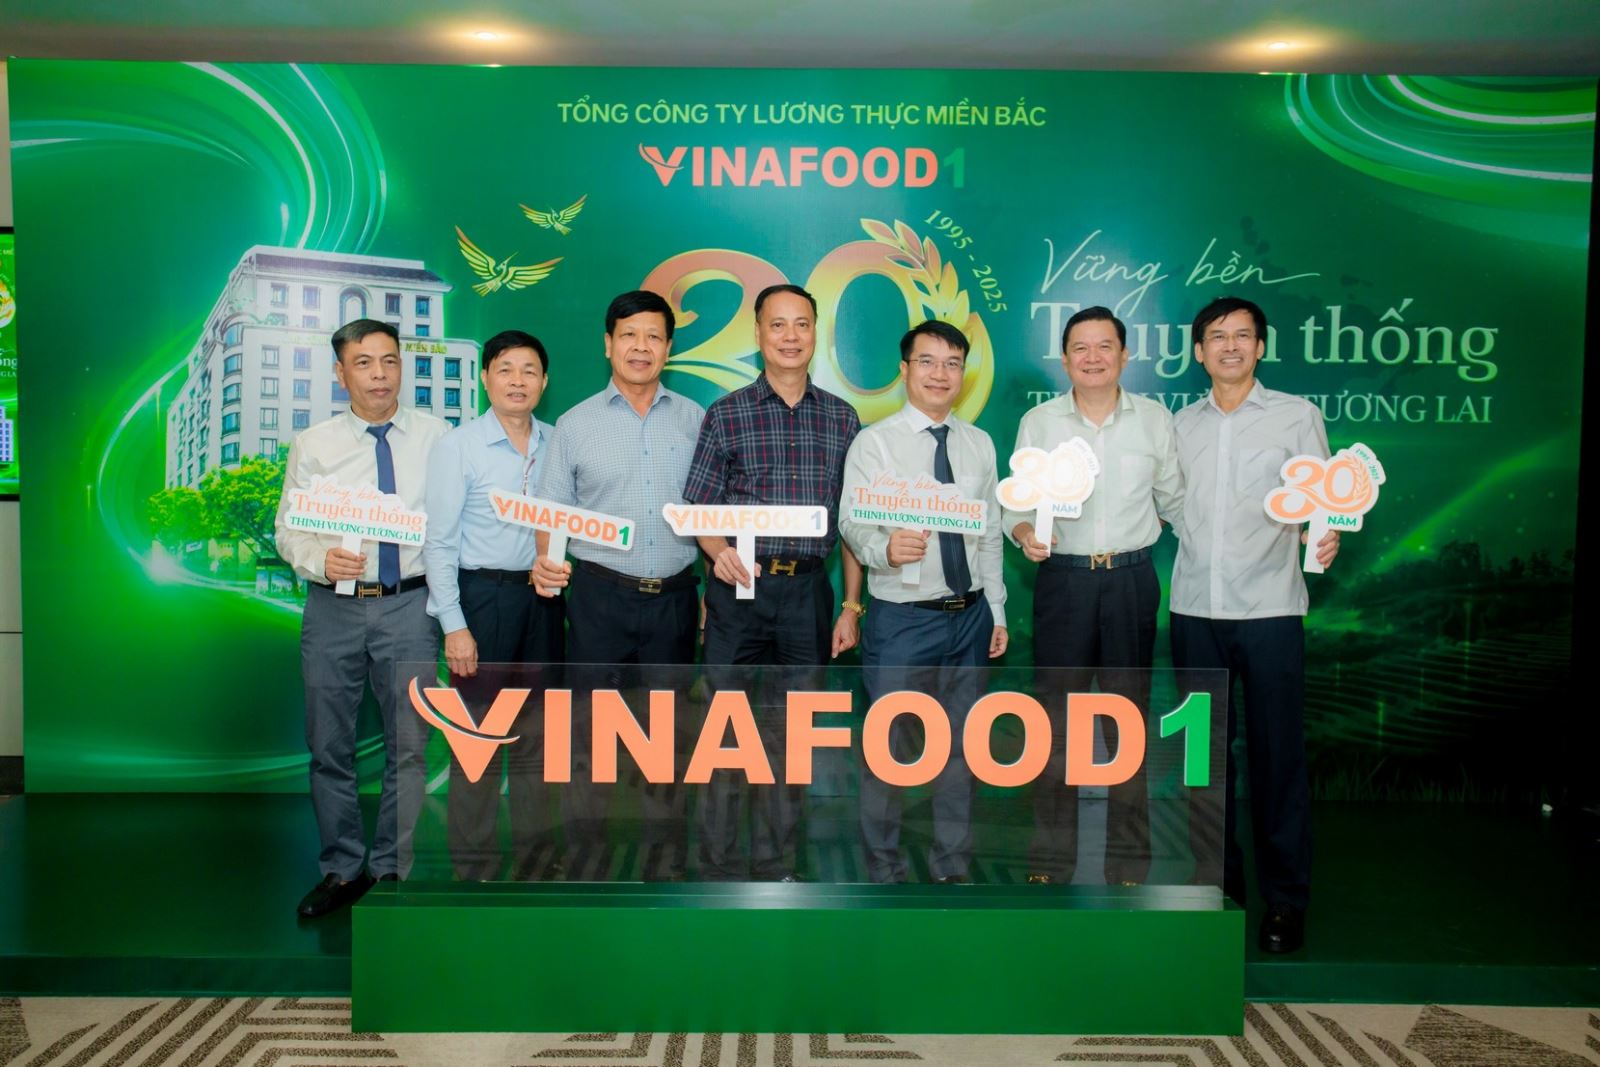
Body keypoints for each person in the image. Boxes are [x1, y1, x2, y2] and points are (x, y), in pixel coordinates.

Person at [1171, 295, 1338, 954]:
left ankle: (1285, 901)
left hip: (1271, 610)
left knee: (1277, 760)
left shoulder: (1297, 415)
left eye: (1243, 335)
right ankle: (1215, 887)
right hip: (1194, 610)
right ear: (1199, 351)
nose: (1231, 346)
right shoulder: (1179, 424)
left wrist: (1326, 534)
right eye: (1217, 336)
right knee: (1203, 761)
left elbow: (1325, 501)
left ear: (1261, 347)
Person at [683, 282, 863, 881]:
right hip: (739, 592)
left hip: (808, 593)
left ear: (816, 333)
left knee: (793, 736)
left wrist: (852, 605)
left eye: (801, 324)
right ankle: (715, 865)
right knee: (724, 729)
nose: (790, 336)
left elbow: (851, 523)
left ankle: (777, 862)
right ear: (758, 333)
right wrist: (718, 554)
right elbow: (700, 508)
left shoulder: (842, 418)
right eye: (777, 325)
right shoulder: (726, 413)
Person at [274, 318, 449, 917]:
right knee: (329, 746)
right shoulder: (314, 444)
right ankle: (342, 869)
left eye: (390, 361)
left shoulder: (437, 437)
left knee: (410, 746)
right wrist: (318, 560)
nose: (379, 374)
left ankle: (392, 867)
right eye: (364, 363)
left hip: (410, 606)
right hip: (333, 609)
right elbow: (289, 531)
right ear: (340, 372)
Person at [1004, 305, 1181, 887]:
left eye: (1105, 346)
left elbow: (1176, 502)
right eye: (1080, 347)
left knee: (1127, 722)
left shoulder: (1154, 420)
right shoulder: (1040, 423)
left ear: (1125, 355)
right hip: (1064, 583)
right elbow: (1015, 506)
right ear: (1064, 359)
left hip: (1131, 581)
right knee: (1056, 724)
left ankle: (1128, 864)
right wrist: (1024, 532)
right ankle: (1050, 862)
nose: (1093, 357)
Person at [531, 290, 705, 881]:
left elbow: (712, 513)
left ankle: (665, 857)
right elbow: (552, 512)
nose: (641, 347)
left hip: (675, 596)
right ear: (608, 344)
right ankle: (587, 855)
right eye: (629, 335)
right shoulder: (575, 424)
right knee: (589, 733)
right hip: (599, 597)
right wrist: (546, 561)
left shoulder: (695, 419)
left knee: (669, 736)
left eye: (654, 336)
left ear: (668, 348)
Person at [838, 320, 1007, 883]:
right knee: (888, 747)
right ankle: (882, 868)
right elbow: (852, 522)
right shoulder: (875, 443)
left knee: (961, 749)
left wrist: (996, 610)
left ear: (963, 374)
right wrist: (883, 549)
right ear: (904, 369)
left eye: (952, 363)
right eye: (928, 361)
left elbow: (989, 533)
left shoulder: (979, 443)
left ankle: (951, 867)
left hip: (970, 617)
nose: (941, 374)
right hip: (903, 620)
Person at [423, 330, 564, 881]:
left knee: (539, 736)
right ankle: (473, 862)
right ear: (486, 378)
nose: (517, 381)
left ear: (545, 381)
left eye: (529, 370)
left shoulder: (559, 443)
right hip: (483, 600)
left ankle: (536, 855)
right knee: (477, 738)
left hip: (544, 602)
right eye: (506, 369)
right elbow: (439, 543)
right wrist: (454, 625)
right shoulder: (458, 447)